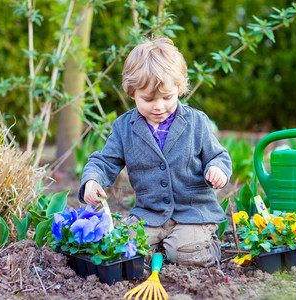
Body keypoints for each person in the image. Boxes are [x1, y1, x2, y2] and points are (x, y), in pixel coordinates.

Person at [78, 37, 232, 267]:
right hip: (149, 214)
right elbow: (104, 161)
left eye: (167, 97)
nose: (158, 106)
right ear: (132, 93)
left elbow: (218, 156)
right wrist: (92, 179)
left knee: (187, 254)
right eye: (148, 99)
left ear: (179, 89)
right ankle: (159, 246)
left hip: (192, 211)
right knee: (123, 249)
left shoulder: (196, 122)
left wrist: (217, 169)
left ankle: (200, 242)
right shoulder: (125, 128)